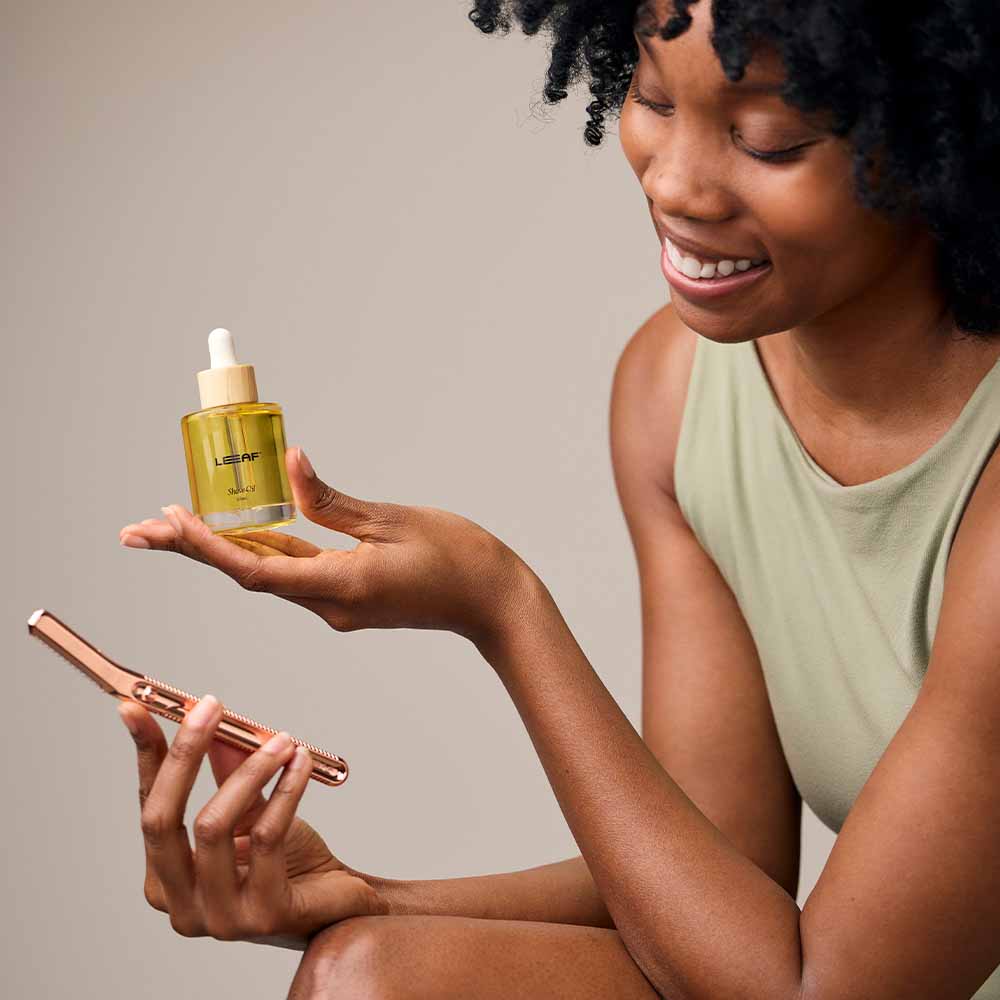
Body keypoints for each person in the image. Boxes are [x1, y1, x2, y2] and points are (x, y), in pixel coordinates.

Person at [116, 1, 1000, 997]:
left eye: (768, 139)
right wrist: (357, 895)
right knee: (365, 976)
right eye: (655, 98)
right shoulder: (676, 395)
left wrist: (502, 607)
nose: (672, 180)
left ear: (943, 132)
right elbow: (716, 878)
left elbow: (811, 991)